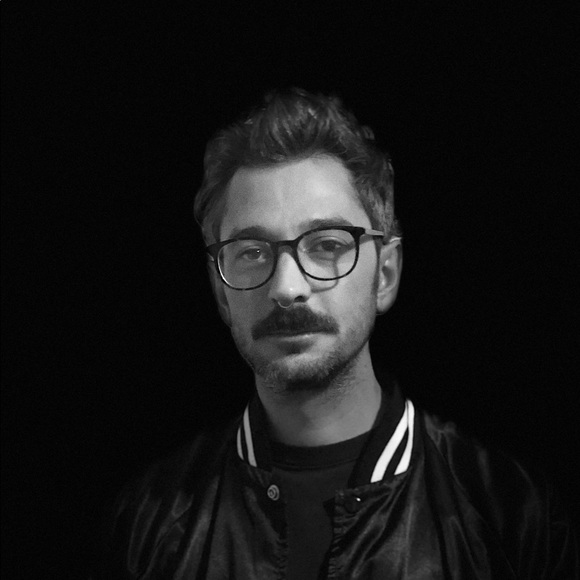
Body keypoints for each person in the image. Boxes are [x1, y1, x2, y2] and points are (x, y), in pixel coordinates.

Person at [94, 88, 578, 579]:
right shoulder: (148, 522)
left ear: (385, 274)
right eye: (251, 252)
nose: (287, 288)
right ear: (221, 292)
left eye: (326, 245)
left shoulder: (511, 513)